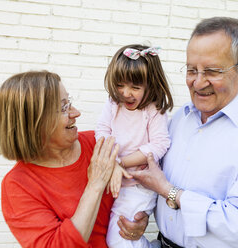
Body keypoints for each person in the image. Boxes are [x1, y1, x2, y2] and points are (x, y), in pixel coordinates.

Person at [129, 17, 238, 248]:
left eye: (212, 71)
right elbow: (156, 183)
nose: (198, 82)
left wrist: (170, 192)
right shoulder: (180, 119)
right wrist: (142, 215)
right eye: (192, 70)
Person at [0, 71, 148, 248]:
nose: (76, 113)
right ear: (34, 122)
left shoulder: (98, 144)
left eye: (69, 102)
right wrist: (95, 184)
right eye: (63, 108)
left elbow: (139, 187)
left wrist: (139, 219)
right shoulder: (19, 185)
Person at [95, 44, 173, 248]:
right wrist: (112, 163)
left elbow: (159, 144)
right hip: (116, 182)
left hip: (140, 185)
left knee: (120, 236)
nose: (126, 93)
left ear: (151, 85)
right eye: (120, 85)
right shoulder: (113, 103)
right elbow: (102, 131)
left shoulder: (153, 109)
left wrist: (120, 163)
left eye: (135, 88)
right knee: (119, 234)